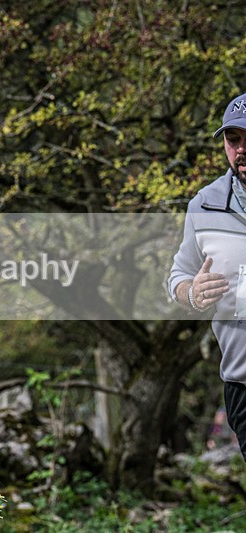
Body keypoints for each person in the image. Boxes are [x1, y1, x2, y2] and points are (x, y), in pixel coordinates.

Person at [169, 91, 246, 461]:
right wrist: (193, 294)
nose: (241, 149)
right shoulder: (204, 204)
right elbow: (179, 277)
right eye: (233, 140)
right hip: (241, 384)